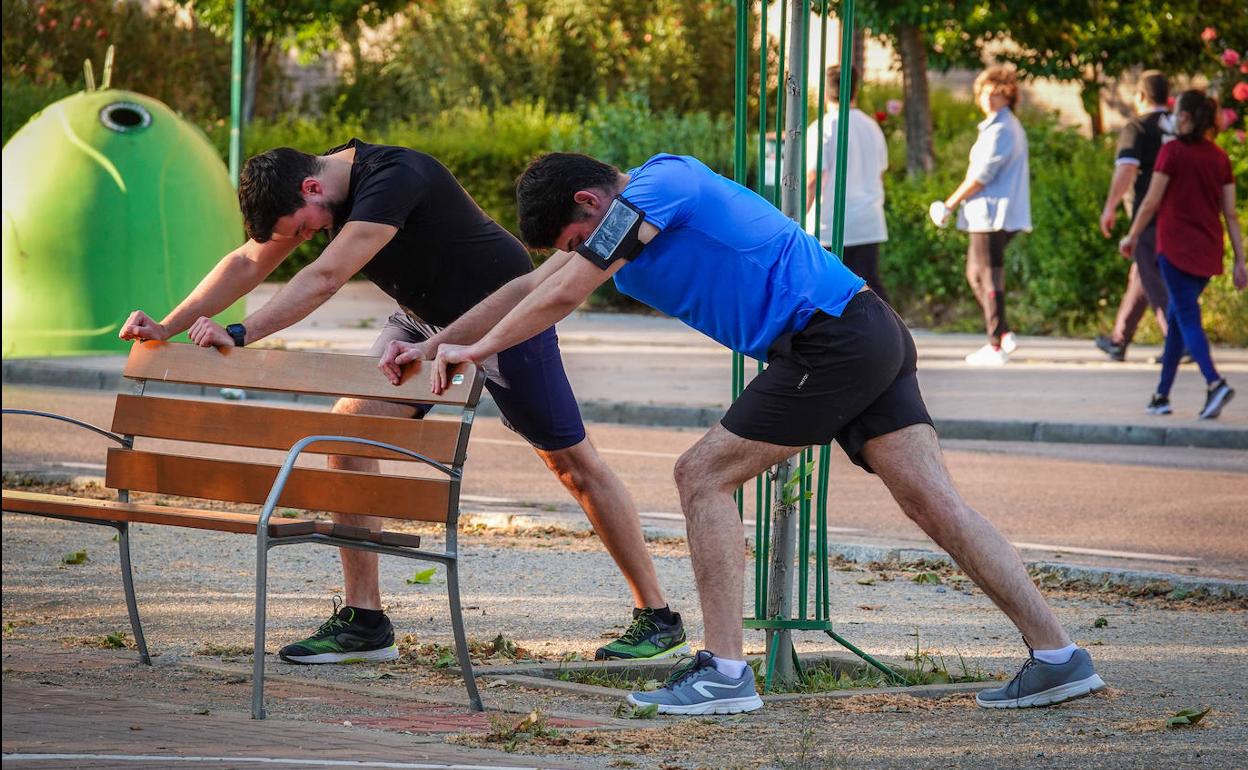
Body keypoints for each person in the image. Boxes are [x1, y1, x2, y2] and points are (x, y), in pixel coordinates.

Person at [410, 151, 1107, 715]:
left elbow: (561, 297)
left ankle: (724, 672)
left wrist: (475, 354)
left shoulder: (660, 184)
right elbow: (525, 290)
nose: (579, 256)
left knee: (701, 475)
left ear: (591, 206)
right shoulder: (615, 224)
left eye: (575, 241)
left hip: (831, 338)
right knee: (932, 503)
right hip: (858, 331)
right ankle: (1058, 657)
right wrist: (437, 341)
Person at [119, 140, 690, 664]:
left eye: (302, 227)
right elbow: (249, 260)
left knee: (573, 465)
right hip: (419, 323)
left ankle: (657, 616)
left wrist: (239, 333)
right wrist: (168, 326)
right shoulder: (312, 185)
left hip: (500, 312)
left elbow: (324, 278)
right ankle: (365, 622)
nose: (304, 238)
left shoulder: (394, 176)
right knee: (347, 439)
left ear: (312, 190)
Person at [1121, 91, 1247, 419]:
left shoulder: (1171, 152)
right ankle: (1161, 396)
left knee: (1187, 318)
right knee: (1177, 319)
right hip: (1207, 251)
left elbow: (1151, 201)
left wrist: (1132, 236)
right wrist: (1240, 259)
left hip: (1175, 249)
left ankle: (1215, 383)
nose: (1173, 119)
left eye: (1176, 114)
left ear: (1187, 118)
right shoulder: (1220, 158)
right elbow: (1230, 214)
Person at [937, 66, 1031, 366]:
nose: (989, 98)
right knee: (976, 274)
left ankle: (994, 344)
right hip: (988, 213)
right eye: (985, 92)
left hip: (992, 212)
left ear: (1009, 96)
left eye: (997, 93)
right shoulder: (997, 125)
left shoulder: (1003, 128)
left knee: (989, 275)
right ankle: (1002, 333)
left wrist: (949, 204)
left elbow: (981, 176)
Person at [1096, 70, 1175, 362]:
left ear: (1140, 96)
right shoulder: (1179, 127)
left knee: (1152, 276)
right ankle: (1119, 340)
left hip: (1149, 213)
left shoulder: (1138, 128)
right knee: (1141, 276)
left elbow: (1126, 169)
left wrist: (1110, 206)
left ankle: (1181, 340)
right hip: (1178, 213)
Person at [804, 65, 891, 304]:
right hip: (868, 221)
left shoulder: (822, 128)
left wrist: (798, 218)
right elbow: (880, 172)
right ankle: (894, 335)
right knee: (870, 287)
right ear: (856, 90)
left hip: (830, 224)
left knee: (826, 291)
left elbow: (814, 178)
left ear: (825, 91)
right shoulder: (872, 127)